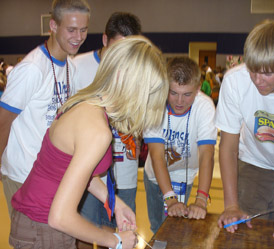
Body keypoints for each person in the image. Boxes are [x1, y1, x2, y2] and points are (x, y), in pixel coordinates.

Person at [9, 36, 169, 249]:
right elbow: (60, 217)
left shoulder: (86, 103)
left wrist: (116, 204)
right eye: (147, 95)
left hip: (37, 223)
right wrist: (116, 240)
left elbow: (74, 171)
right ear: (124, 79)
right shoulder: (97, 130)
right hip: (43, 228)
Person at [0, 0, 90, 216]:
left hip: (53, 175)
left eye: (84, 30)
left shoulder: (70, 66)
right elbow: (2, 123)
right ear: (53, 26)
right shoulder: (32, 69)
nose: (78, 37)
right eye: (71, 30)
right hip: (24, 176)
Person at [216, 19, 274, 241]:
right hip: (253, 164)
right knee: (241, 235)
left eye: (267, 73)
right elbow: (228, 147)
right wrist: (231, 205)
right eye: (252, 70)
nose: (257, 80)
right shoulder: (235, 80)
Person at [72, 12, 142, 229]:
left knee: (116, 233)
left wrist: (135, 138)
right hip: (88, 172)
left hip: (124, 174)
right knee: (84, 231)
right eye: (117, 48)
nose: (122, 56)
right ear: (104, 40)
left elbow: (139, 121)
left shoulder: (138, 73)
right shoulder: (77, 67)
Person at [143, 56, 217, 234]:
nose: (179, 101)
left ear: (198, 89)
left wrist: (201, 199)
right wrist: (170, 198)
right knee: (157, 228)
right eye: (173, 93)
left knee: (176, 229)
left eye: (187, 94)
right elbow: (157, 156)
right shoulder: (154, 105)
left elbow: (207, 154)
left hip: (184, 175)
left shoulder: (205, 107)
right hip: (154, 175)